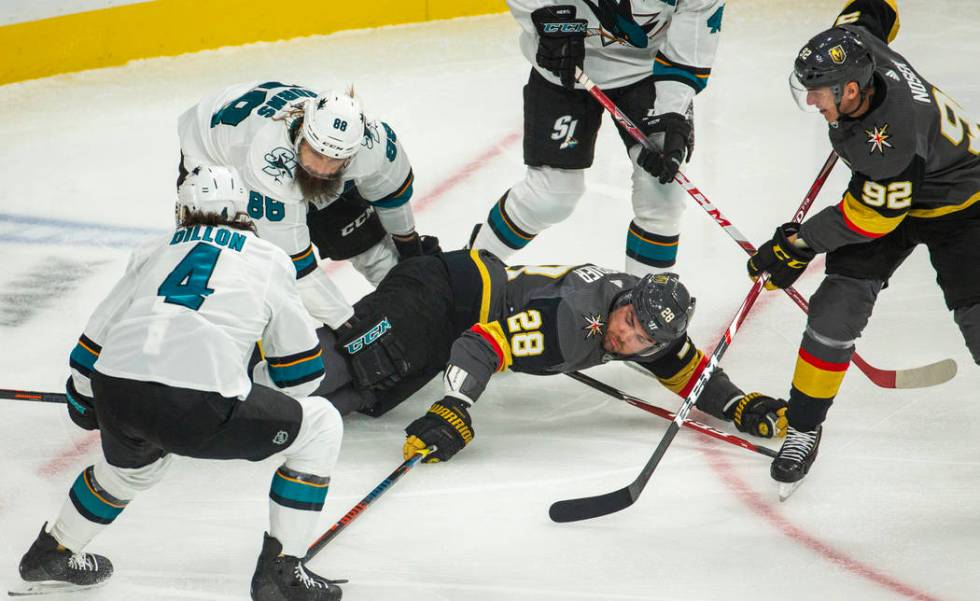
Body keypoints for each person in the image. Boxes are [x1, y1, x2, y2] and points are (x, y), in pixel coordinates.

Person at [15, 167, 345, 601]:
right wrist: (244, 386)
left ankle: (52, 551)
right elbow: (302, 375)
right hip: (199, 405)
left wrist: (83, 396)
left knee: (133, 467)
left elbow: (92, 343)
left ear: (184, 209)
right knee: (321, 424)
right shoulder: (267, 259)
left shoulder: (156, 250)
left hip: (117, 389)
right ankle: (281, 573)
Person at [746, 0, 980, 496]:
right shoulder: (856, 44)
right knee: (834, 311)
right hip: (895, 191)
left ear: (851, 89)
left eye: (819, 93)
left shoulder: (891, 135)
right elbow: (878, 10)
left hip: (961, 207)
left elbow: (872, 218)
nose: (812, 102)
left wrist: (800, 242)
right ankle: (804, 427)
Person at [308, 249, 788, 463]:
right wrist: (454, 406)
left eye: (642, 340)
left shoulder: (650, 324)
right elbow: (480, 346)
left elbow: (688, 369)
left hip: (457, 326)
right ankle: (242, 370)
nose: (627, 339)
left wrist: (737, 405)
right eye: (627, 323)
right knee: (346, 363)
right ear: (625, 302)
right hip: (446, 290)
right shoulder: (571, 325)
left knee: (363, 398)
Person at [469, 0, 725, 276]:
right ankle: (466, 278)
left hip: (649, 73)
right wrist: (543, 19)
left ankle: (639, 310)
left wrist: (673, 116)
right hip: (564, 66)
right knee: (550, 196)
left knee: (663, 193)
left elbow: (690, 44)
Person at [178, 81, 438, 330]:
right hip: (213, 154)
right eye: (317, 153)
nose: (322, 170)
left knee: (365, 242)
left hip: (278, 146)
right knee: (231, 264)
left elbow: (393, 197)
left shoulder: (373, 144)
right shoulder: (268, 163)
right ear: (302, 133)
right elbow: (297, 268)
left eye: (335, 159)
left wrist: (410, 250)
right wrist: (349, 325)